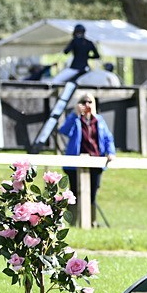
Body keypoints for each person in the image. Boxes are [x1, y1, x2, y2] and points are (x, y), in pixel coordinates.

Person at [59, 92, 116, 225]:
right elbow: (64, 131)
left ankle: (91, 222)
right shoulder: (76, 120)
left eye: (89, 102)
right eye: (84, 102)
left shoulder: (99, 120)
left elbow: (108, 138)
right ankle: (72, 223)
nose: (87, 105)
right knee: (74, 195)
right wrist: (74, 114)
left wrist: (110, 152)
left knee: (92, 194)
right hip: (75, 162)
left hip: (95, 161)